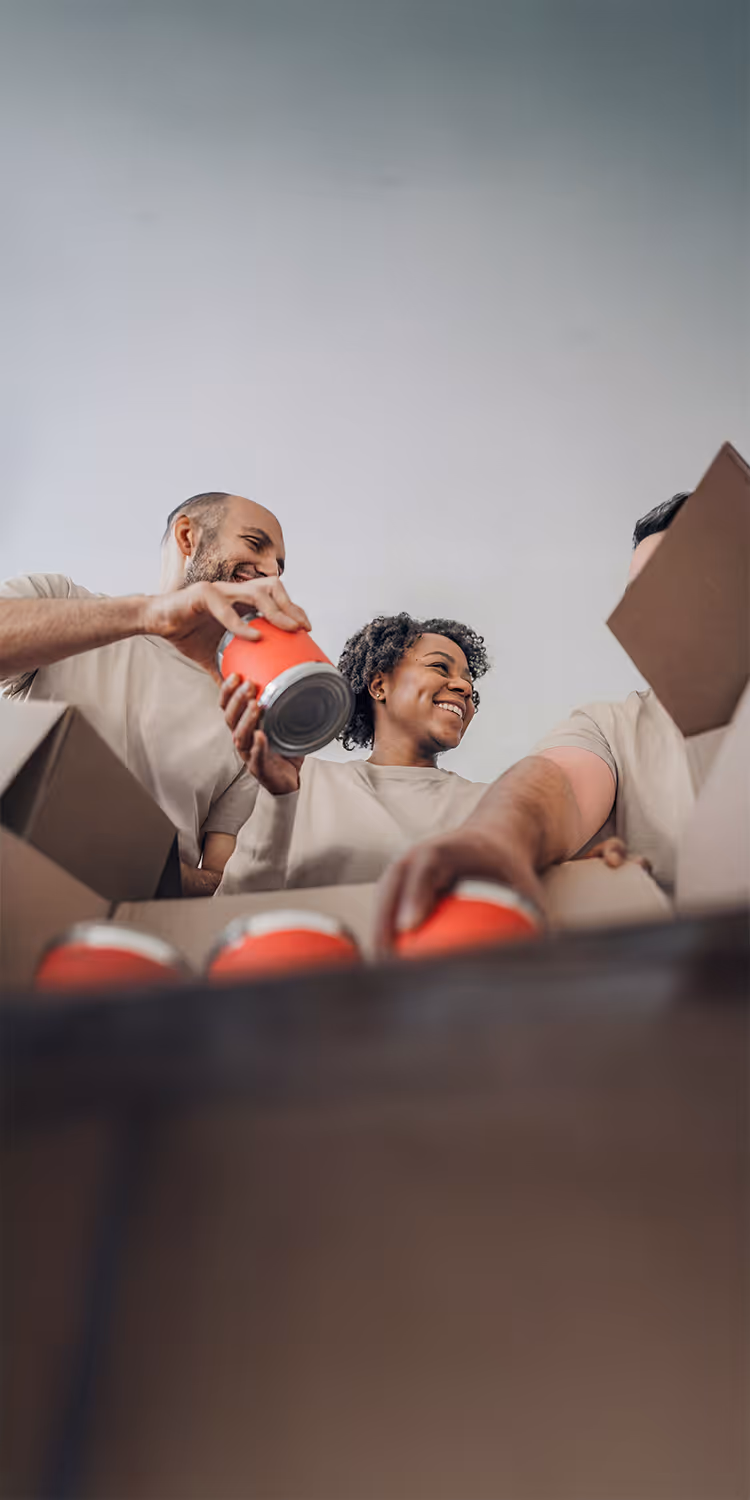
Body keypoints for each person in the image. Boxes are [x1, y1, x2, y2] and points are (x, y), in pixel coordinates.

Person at [376, 492, 700, 945]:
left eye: (671, 577)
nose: (463, 687)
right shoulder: (612, 729)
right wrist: (497, 839)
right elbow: (555, 783)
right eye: (636, 593)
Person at [0, 491, 310, 895]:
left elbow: (222, 883)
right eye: (255, 545)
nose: (272, 573)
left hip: (149, 925)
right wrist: (150, 615)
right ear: (187, 537)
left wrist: (149, 874)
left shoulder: (244, 711)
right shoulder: (59, 598)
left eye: (280, 566)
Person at [217, 612, 490, 892]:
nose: (464, 687)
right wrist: (278, 800)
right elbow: (233, 906)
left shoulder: (491, 802)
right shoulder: (303, 780)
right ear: (379, 685)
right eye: (440, 667)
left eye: (468, 681)